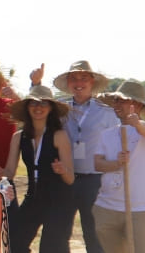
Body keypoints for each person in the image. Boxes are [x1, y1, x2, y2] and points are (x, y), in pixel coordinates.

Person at [33, 60, 118, 253]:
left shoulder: (107, 112)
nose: (79, 83)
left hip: (94, 180)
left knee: (94, 231)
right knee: (59, 231)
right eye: (74, 78)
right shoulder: (59, 108)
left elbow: (116, 142)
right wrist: (36, 85)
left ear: (92, 81)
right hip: (64, 178)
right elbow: (36, 108)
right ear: (68, 83)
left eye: (83, 78)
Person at [2, 85, 76, 253]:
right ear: (27, 107)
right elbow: (9, 172)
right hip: (33, 197)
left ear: (51, 108)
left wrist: (61, 170)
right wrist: (1, 176)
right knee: (14, 242)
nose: (38, 107)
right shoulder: (18, 137)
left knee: (53, 247)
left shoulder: (59, 135)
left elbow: (70, 178)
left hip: (59, 200)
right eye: (33, 103)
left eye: (44, 103)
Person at [93, 80, 145, 253]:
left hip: (139, 207)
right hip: (107, 207)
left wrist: (137, 124)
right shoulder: (106, 135)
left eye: (122, 100)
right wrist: (116, 163)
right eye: (116, 100)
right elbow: (98, 164)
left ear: (137, 104)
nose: (117, 104)